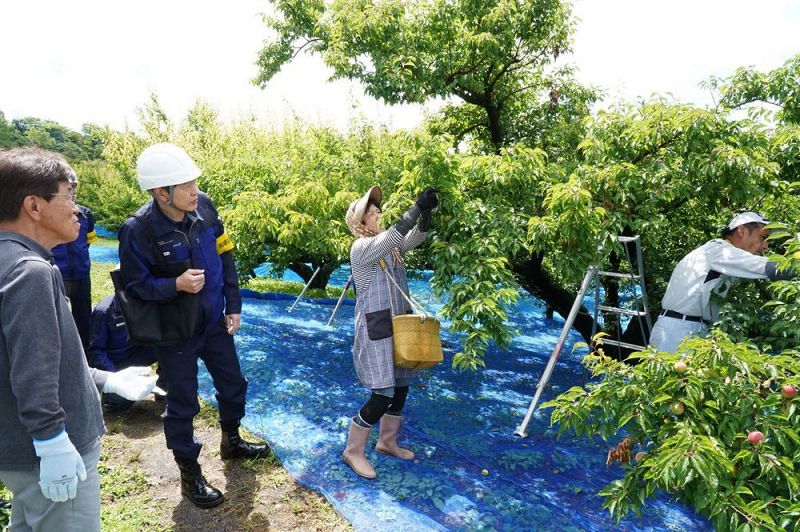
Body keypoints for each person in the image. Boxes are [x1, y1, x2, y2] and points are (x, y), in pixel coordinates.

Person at [0, 147, 157, 531]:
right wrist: (52, 441)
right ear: (34, 206)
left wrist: (108, 379)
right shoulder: (30, 271)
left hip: (18, 452)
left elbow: (28, 356)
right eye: (68, 196)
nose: (77, 209)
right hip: (49, 451)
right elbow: (34, 373)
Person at [117, 143, 271, 509]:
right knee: (183, 402)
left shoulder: (205, 206)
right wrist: (174, 285)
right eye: (185, 185)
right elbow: (135, 286)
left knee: (234, 383)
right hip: (174, 331)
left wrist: (233, 303)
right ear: (160, 192)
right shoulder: (137, 230)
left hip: (213, 322)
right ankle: (190, 475)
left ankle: (231, 441)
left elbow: (224, 252)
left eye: (195, 182)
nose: (194, 191)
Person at [342, 184, 438, 480]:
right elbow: (396, 233)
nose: (378, 213)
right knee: (382, 394)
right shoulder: (362, 248)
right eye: (371, 212)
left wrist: (426, 215)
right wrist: (416, 207)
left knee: (400, 386)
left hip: (397, 326)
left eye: (377, 209)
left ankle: (387, 442)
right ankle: (353, 451)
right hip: (377, 331)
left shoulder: (390, 248)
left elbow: (415, 237)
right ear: (360, 223)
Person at [650, 211, 795, 353]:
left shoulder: (716, 253)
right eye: (763, 237)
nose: (766, 246)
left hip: (687, 327)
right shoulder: (719, 251)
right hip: (678, 331)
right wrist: (795, 265)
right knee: (674, 376)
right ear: (741, 230)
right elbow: (766, 267)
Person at [88, 294, 164, 413]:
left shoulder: (148, 300)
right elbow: (96, 352)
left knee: (170, 346)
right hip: (117, 364)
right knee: (120, 402)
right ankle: (109, 397)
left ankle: (163, 384)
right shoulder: (104, 311)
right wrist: (115, 378)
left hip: (141, 353)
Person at [51, 203, 96, 351]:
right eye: (69, 186)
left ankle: (85, 353)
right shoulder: (50, 213)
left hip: (81, 273)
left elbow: (89, 240)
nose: (72, 190)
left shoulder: (85, 214)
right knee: (57, 318)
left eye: (74, 186)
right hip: (58, 274)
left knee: (83, 317)